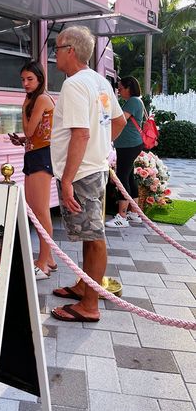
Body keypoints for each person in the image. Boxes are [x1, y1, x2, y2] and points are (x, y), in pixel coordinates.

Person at [49, 27, 126, 323]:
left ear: (71, 50)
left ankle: (90, 305)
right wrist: (102, 149)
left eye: (57, 47)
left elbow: (80, 134)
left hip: (81, 172)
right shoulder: (99, 81)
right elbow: (117, 122)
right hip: (92, 168)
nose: (54, 53)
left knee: (94, 237)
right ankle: (85, 285)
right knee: (90, 233)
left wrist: (67, 179)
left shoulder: (74, 84)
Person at [9, 61, 57, 279]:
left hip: (41, 157)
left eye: (30, 79)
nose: (25, 84)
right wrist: (22, 140)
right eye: (22, 80)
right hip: (34, 154)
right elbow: (33, 135)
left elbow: (29, 130)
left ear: (39, 79)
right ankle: (49, 259)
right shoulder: (34, 99)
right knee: (36, 209)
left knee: (40, 210)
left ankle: (43, 262)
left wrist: (23, 110)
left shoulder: (41, 99)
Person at [106, 76, 144, 227]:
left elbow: (121, 119)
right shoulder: (135, 101)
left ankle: (121, 217)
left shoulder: (134, 101)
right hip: (130, 144)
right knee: (128, 177)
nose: (119, 91)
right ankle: (134, 213)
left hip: (129, 145)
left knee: (122, 177)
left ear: (129, 87)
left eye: (120, 88)